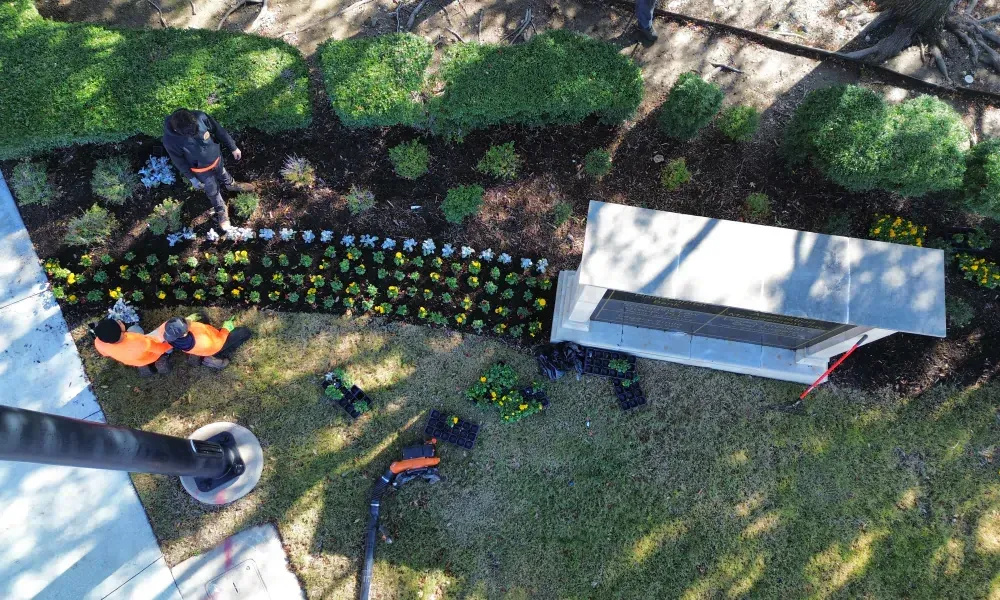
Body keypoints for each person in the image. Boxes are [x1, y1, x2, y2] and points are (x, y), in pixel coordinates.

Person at [162, 108, 253, 230]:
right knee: (212, 190)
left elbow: (218, 130)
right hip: (201, 171)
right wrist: (192, 178)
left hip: (217, 159)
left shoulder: (200, 117)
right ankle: (221, 209)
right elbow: (179, 161)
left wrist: (233, 147)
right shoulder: (170, 140)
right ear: (176, 130)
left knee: (223, 172)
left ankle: (231, 184)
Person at [153, 316, 252, 370]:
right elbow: (219, 343)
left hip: (200, 344)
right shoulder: (203, 342)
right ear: (184, 334)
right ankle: (211, 360)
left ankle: (196, 356)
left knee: (202, 316)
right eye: (187, 324)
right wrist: (226, 329)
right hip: (213, 345)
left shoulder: (169, 333)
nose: (188, 321)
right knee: (244, 332)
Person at [92, 319, 172, 377]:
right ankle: (161, 361)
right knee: (163, 338)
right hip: (150, 356)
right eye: (119, 323)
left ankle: (143, 367)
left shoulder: (99, 342)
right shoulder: (139, 341)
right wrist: (170, 345)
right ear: (120, 330)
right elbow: (160, 349)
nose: (120, 321)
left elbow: (105, 354)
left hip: (132, 360)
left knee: (134, 331)